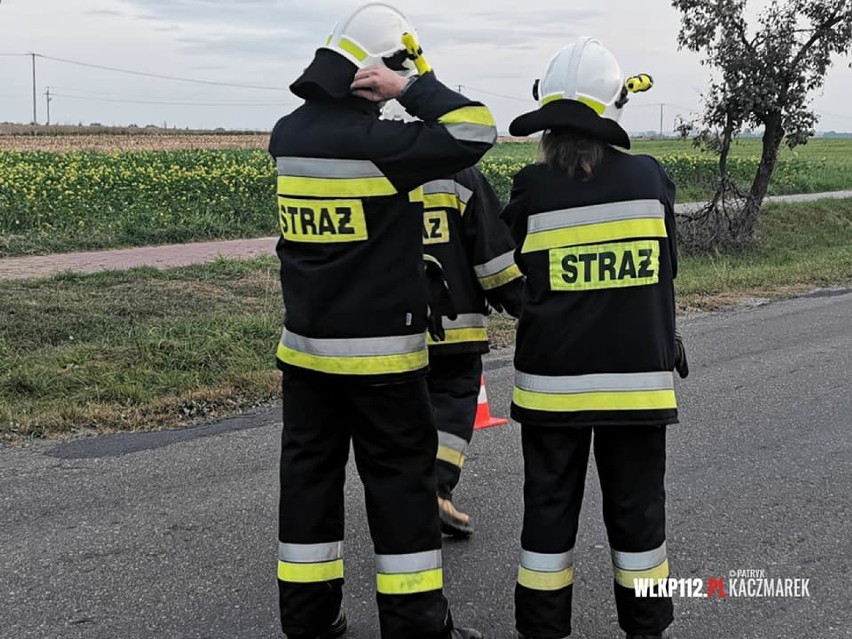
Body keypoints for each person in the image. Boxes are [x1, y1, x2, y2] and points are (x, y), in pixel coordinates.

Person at [268, 4, 496, 638]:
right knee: (400, 495)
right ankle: (418, 627)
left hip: (307, 359)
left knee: (308, 490)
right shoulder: (377, 146)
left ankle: (310, 623)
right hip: (382, 367)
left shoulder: (288, 135)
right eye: (392, 72)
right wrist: (414, 86)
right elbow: (476, 131)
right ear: (374, 73)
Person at [499, 38, 689, 639]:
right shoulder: (650, 178)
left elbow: (510, 274)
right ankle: (647, 626)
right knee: (640, 524)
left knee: (548, 523)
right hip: (638, 391)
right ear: (614, 113)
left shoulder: (531, 189)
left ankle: (542, 629)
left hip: (552, 394)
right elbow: (667, 271)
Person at [421, 166, 524, 537]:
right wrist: (522, 305)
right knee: (452, 404)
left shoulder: (372, 163)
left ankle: (403, 494)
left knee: (402, 413)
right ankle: (434, 488)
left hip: (387, 335)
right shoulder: (460, 176)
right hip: (454, 331)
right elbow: (494, 258)